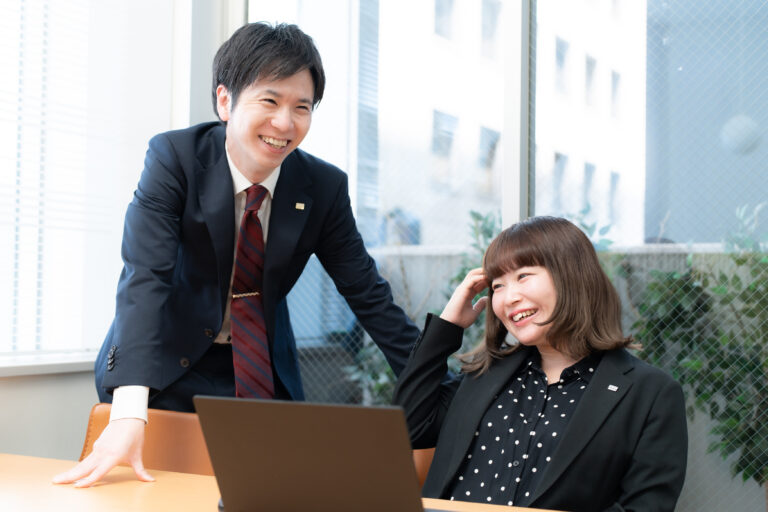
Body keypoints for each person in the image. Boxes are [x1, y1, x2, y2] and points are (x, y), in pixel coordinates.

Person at [53, 22, 419, 487]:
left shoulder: (323, 187)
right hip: (166, 364)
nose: (285, 123)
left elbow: (368, 295)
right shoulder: (175, 159)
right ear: (225, 101)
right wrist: (129, 411)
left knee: (268, 492)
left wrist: (446, 392)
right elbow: (145, 278)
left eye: (301, 107)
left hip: (258, 368)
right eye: (269, 101)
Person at [393, 216, 687, 511]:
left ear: (572, 276)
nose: (509, 298)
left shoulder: (651, 394)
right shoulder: (485, 375)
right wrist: (447, 327)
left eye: (522, 277)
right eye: (497, 285)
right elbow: (410, 428)